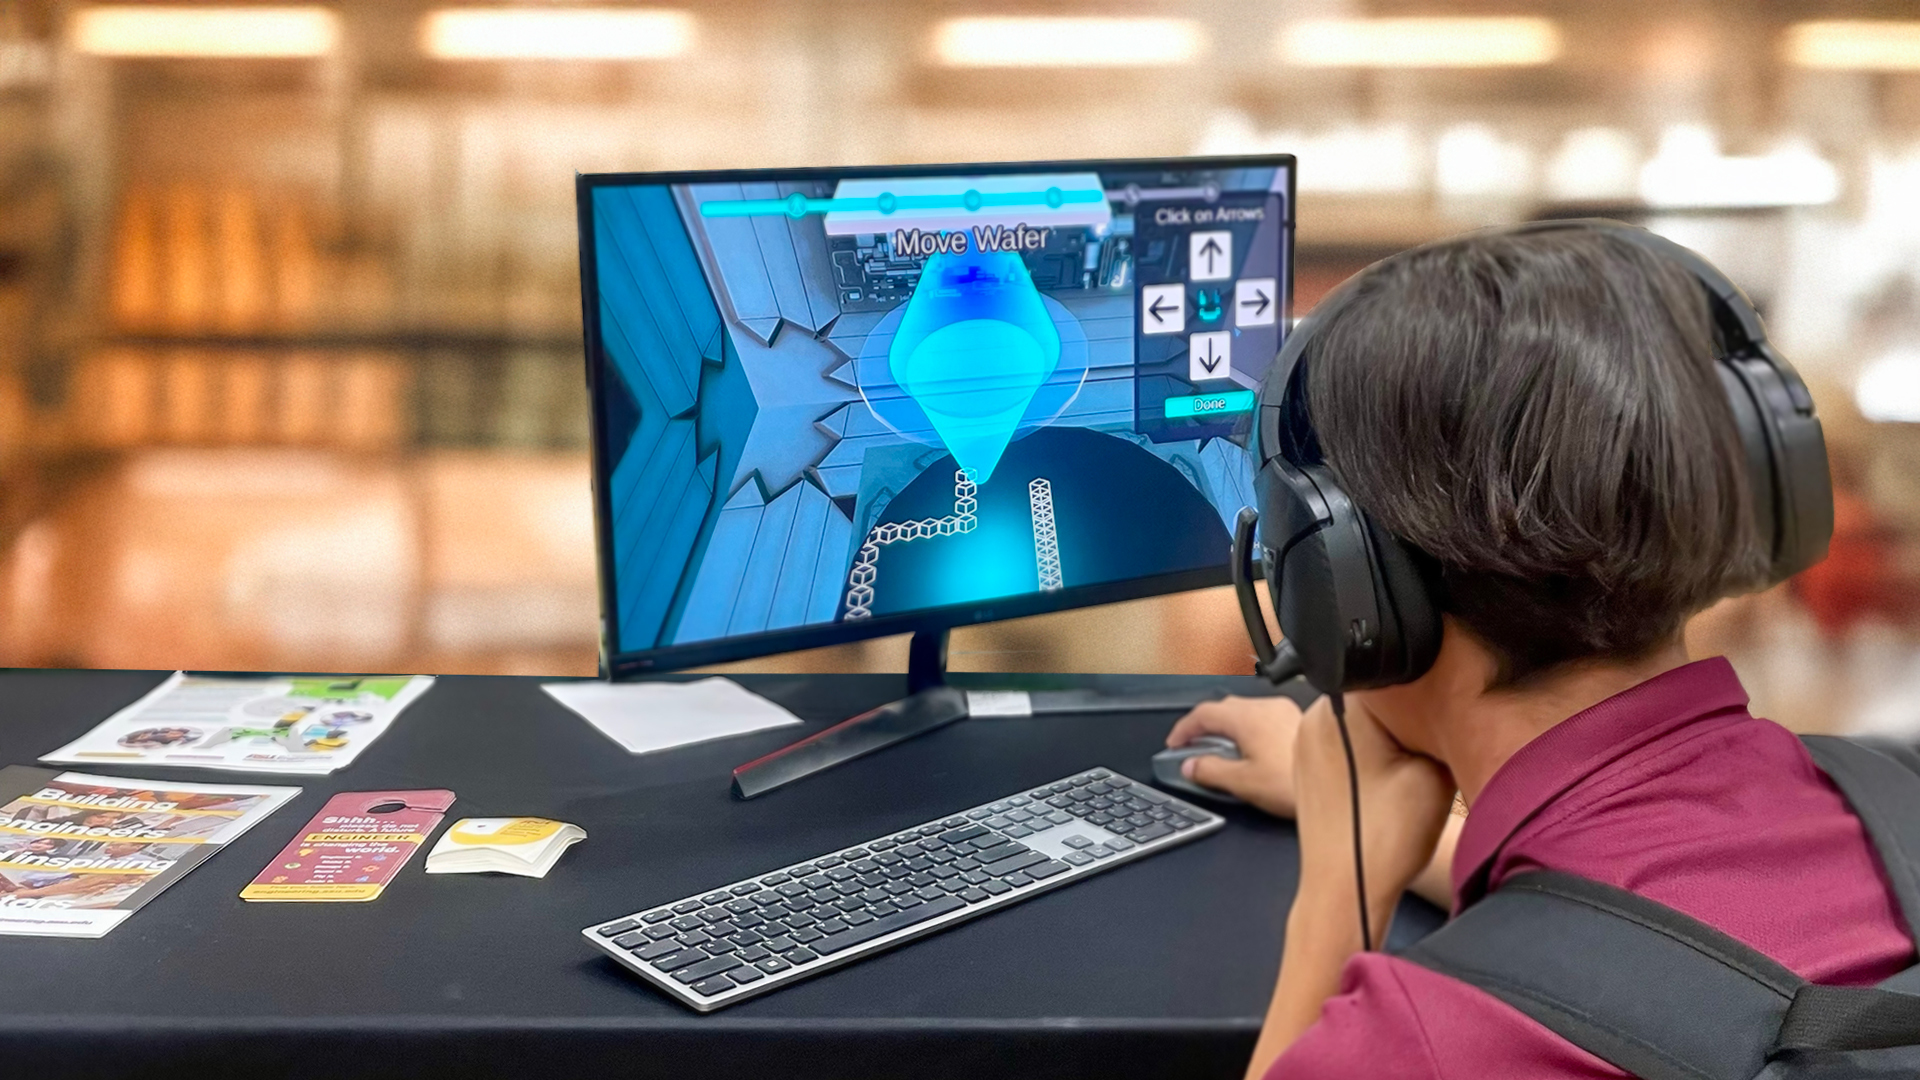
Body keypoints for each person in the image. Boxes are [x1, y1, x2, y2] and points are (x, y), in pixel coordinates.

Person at [1163, 228, 1914, 1079]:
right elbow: (1669, 949)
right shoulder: (1892, 795)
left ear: (1351, 587)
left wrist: (1341, 889)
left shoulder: (1418, 1045)